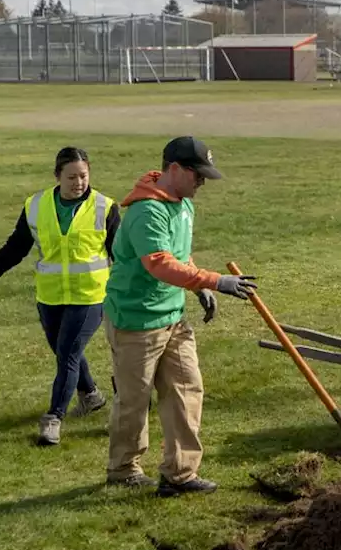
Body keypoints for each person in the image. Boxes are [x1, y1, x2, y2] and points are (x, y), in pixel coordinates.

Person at [103, 137, 258, 496]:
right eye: (197, 174)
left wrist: (196, 286)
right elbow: (159, 263)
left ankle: (180, 474)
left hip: (172, 316)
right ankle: (123, 469)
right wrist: (215, 281)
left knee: (187, 389)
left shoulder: (184, 205)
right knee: (134, 399)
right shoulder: (146, 212)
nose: (202, 182)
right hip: (136, 320)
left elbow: (179, 257)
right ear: (175, 170)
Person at [0, 147, 119, 446]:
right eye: (71, 177)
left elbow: (122, 253)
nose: (79, 182)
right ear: (57, 176)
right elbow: (17, 245)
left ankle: (53, 418)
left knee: (67, 353)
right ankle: (91, 395)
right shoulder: (36, 205)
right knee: (65, 351)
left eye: (83, 175)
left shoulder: (105, 207)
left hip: (90, 295)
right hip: (50, 296)